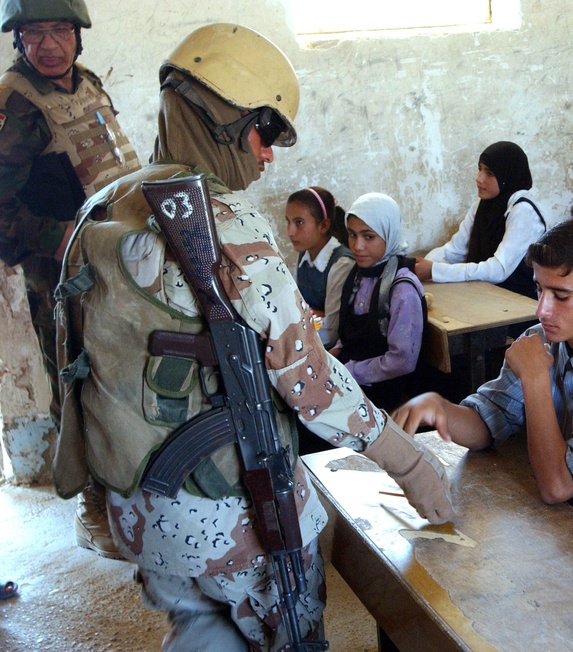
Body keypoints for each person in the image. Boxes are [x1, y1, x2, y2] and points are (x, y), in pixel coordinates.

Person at [54, 24, 453, 650]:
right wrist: (406, 461)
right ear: (221, 120)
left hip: (136, 503)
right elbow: (311, 382)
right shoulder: (227, 228)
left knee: (197, 624)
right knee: (286, 633)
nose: (268, 155)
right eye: (263, 133)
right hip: (225, 508)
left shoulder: (102, 207)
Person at [395, 215, 573, 560]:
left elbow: (557, 487)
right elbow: (489, 422)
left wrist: (535, 379)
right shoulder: (544, 340)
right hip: (558, 497)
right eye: (539, 289)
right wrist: (440, 408)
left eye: (560, 296)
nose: (541, 310)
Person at [0, 0, 141, 559]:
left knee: (121, 377)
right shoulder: (15, 103)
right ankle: (92, 505)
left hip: (114, 262)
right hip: (61, 278)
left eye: (59, 30)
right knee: (76, 381)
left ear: (77, 36)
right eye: (34, 33)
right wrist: (56, 236)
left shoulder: (86, 84)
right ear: (19, 40)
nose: (48, 44)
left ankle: (127, 495)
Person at [330, 192, 425, 412]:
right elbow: (351, 333)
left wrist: (349, 371)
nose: (357, 246)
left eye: (368, 236)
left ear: (388, 234)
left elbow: (402, 361)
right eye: (352, 235)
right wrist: (333, 354)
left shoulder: (401, 288)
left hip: (385, 390)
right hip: (355, 378)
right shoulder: (360, 274)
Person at [414, 141, 546, 297]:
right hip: (484, 294)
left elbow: (498, 270)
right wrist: (420, 267)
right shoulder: (482, 205)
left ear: (507, 176)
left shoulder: (524, 211)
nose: (479, 178)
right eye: (480, 169)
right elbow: (455, 250)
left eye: (489, 173)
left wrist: (434, 270)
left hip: (518, 303)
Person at [284, 185, 351, 347]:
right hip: (311, 337)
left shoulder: (341, 264)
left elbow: (331, 332)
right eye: (288, 221)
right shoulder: (305, 254)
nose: (290, 232)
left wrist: (291, 340)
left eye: (299, 222)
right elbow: (301, 307)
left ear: (323, 226)